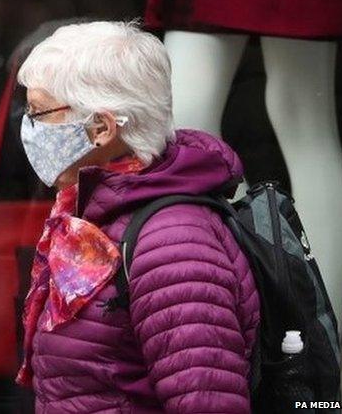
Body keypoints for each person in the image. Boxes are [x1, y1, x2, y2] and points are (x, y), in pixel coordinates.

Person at [14, 21, 260, 413]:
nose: (29, 130)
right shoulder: (96, 214)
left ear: (101, 129)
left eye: (39, 113)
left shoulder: (176, 246)